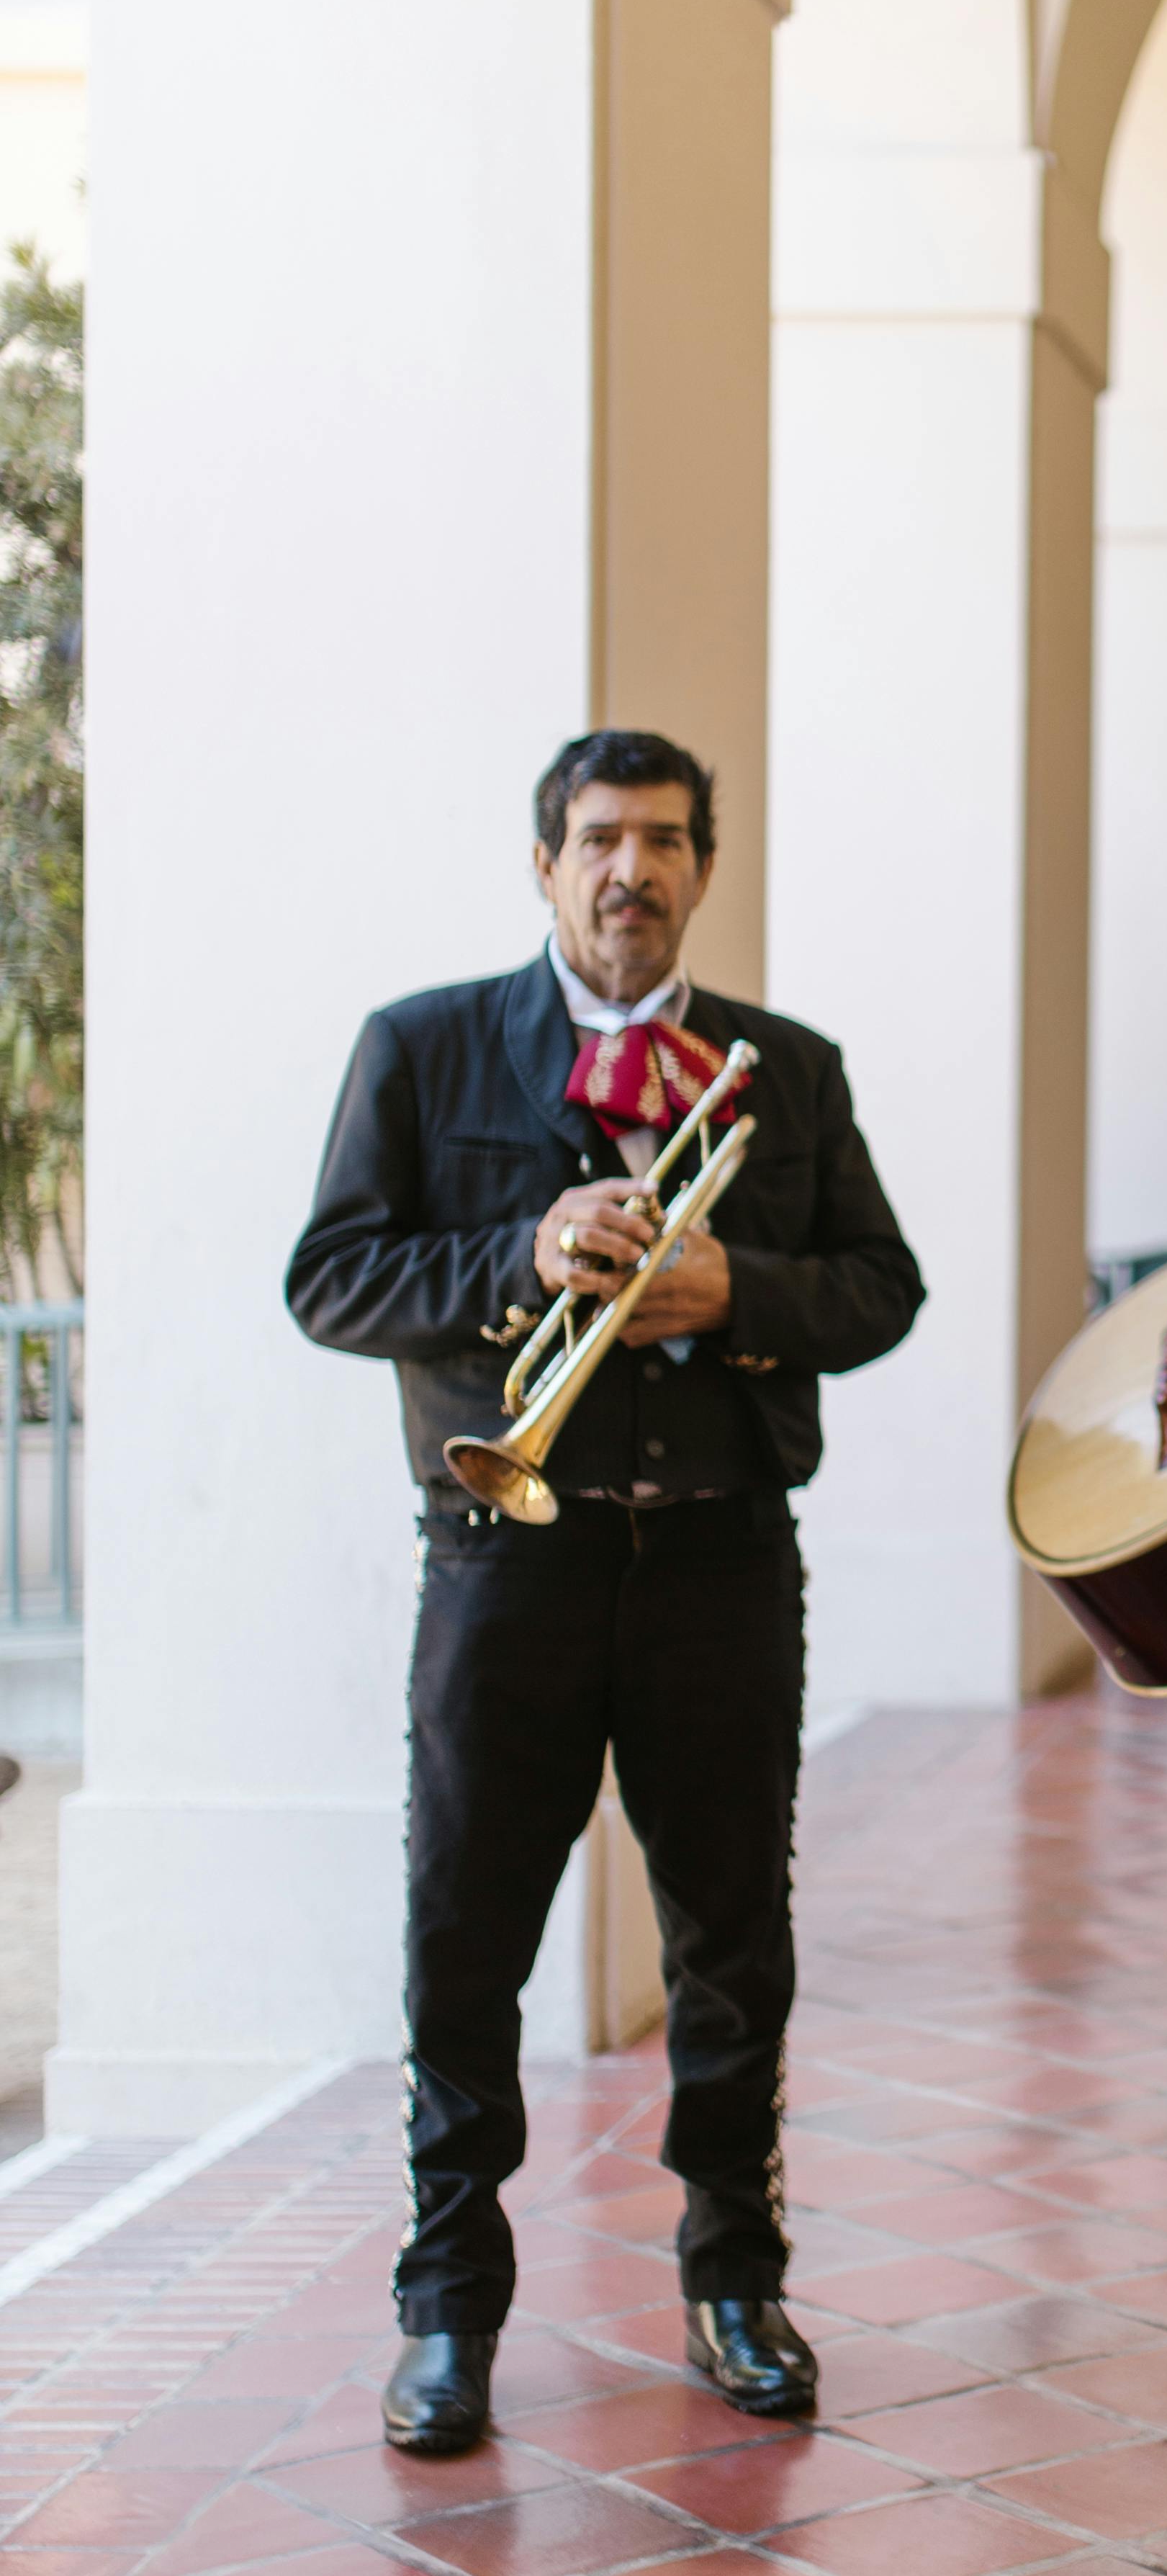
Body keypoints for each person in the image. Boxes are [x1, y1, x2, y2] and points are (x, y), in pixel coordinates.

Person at [289, 731, 924, 2459]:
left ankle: (735, 2274)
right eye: (596, 838)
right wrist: (518, 1252)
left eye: (660, 839)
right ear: (545, 864)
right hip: (507, 1560)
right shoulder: (423, 1047)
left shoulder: (784, 1070)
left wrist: (737, 1286)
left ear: (704, 865)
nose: (628, 868)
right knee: (465, 1930)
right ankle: (449, 2304)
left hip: (723, 1556)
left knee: (733, 1931)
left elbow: (883, 1288)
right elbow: (331, 1275)